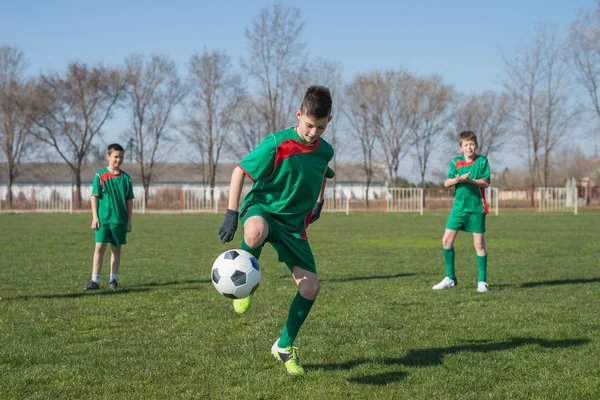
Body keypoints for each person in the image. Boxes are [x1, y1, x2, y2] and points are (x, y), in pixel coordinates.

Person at [218, 85, 335, 375]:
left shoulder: (326, 150)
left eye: (320, 127)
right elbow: (239, 171)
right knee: (255, 230)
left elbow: (324, 172)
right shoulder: (277, 143)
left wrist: (319, 201)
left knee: (311, 288)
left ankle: (283, 346)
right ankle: (244, 282)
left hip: (294, 227)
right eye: (308, 125)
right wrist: (232, 214)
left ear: (328, 122)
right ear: (299, 115)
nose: (312, 133)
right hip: (265, 210)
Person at [433, 130, 491, 293]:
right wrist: (458, 179)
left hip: (476, 207)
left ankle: (482, 282)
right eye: (466, 145)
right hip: (458, 208)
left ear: (476, 145)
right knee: (446, 241)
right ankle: (450, 278)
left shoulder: (482, 161)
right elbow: (446, 183)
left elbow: (486, 183)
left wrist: (469, 180)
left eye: (472, 144)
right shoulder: (456, 162)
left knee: (479, 244)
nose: (469, 147)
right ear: (461, 147)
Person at [84, 143, 134, 291]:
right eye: (116, 157)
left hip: (119, 220)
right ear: (108, 157)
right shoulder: (100, 175)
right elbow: (94, 197)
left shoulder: (126, 179)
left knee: (116, 249)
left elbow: (129, 201)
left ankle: (113, 280)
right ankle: (95, 280)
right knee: (99, 247)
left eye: (121, 157)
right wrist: (95, 217)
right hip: (103, 219)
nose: (118, 160)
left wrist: (129, 221)